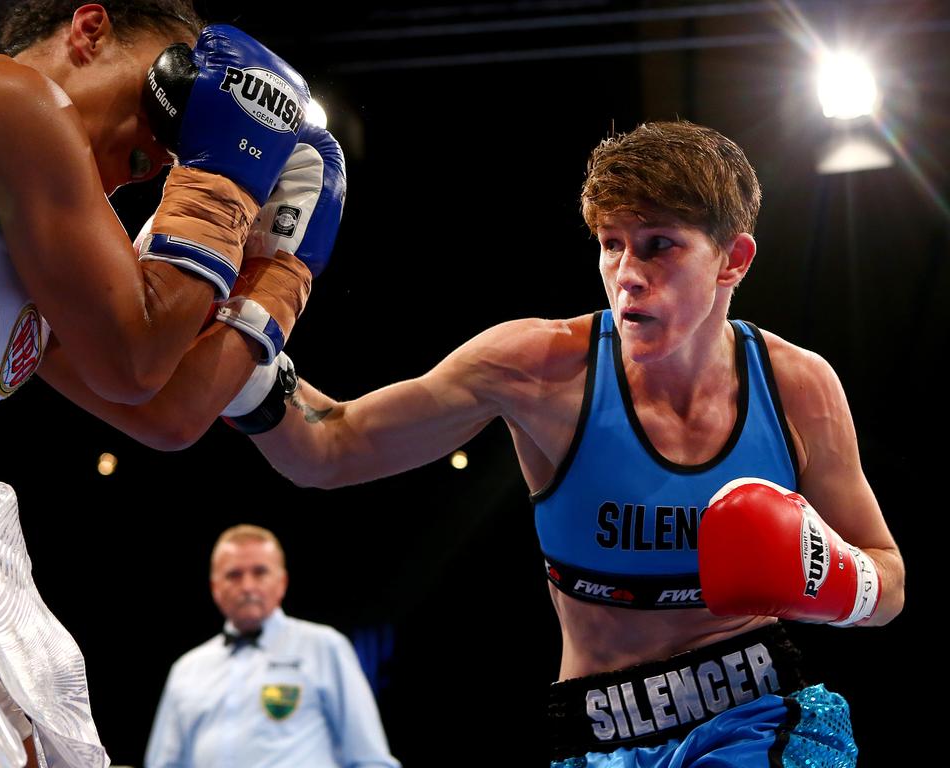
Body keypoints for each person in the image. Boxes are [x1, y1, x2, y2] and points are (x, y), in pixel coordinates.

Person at [233, 121, 905, 765]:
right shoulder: (538, 368)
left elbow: (890, 579)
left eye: (658, 245)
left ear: (733, 260)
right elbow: (334, 449)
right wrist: (241, 353)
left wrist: (835, 580)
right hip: (599, 737)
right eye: (612, 244)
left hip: (757, 718)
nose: (626, 273)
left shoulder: (797, 387)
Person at [0, 3, 326, 766]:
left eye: (156, 166)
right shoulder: (6, 96)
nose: (139, 159)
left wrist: (284, 269)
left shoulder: (28, 224)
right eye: (164, 99)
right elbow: (133, 359)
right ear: (90, 29)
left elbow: (169, 410)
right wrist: (226, 178)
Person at [145, 524, 400, 768]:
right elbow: (163, 764)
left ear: (282, 582)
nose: (247, 586)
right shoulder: (187, 669)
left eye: (260, 572)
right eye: (234, 575)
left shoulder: (323, 646)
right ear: (215, 588)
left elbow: (371, 759)